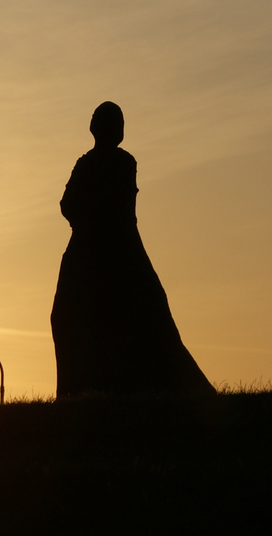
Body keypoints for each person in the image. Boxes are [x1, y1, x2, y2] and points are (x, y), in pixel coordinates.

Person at [50, 101, 214, 397]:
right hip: (96, 250)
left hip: (115, 249)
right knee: (67, 317)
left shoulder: (121, 163)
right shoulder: (90, 163)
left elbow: (110, 206)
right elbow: (67, 205)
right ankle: (83, 390)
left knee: (141, 319)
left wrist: (91, 218)